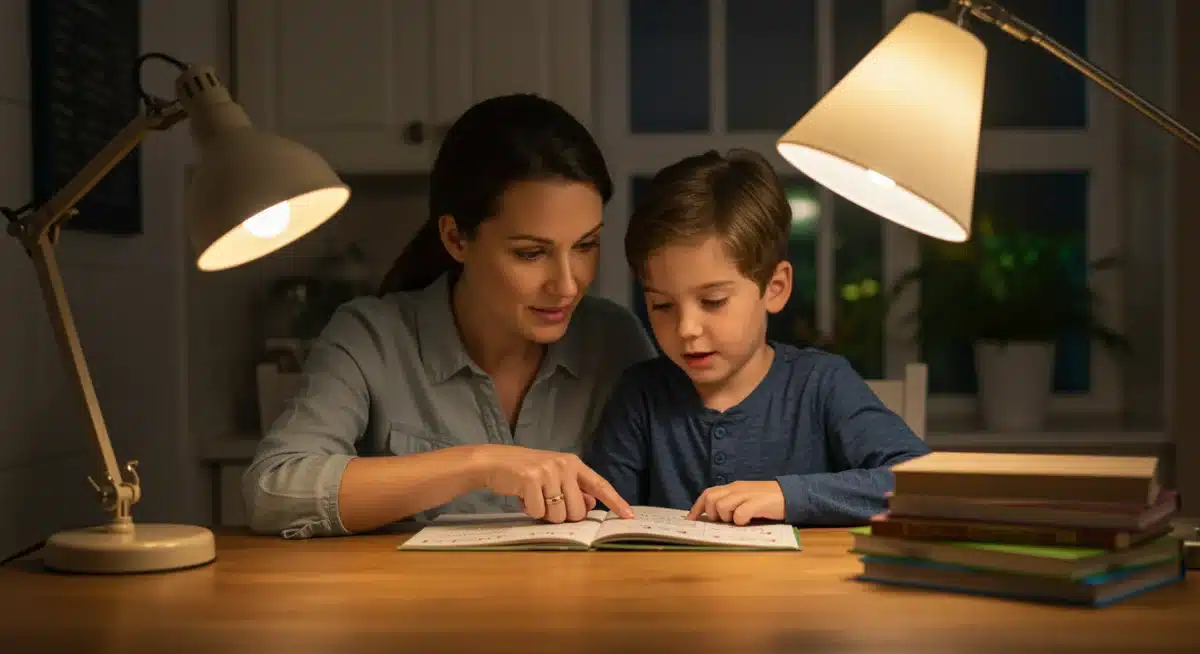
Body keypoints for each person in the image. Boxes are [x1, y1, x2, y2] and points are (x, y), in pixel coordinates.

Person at [243, 94, 655, 539]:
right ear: (456, 238)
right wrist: (479, 463)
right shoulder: (371, 337)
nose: (568, 285)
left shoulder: (613, 339)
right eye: (531, 253)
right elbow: (273, 491)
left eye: (585, 246)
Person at [582, 149, 931, 527]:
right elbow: (601, 516)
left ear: (775, 288)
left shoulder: (821, 384)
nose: (686, 328)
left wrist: (788, 496)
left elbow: (920, 481)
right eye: (662, 305)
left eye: (713, 301)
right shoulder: (640, 395)